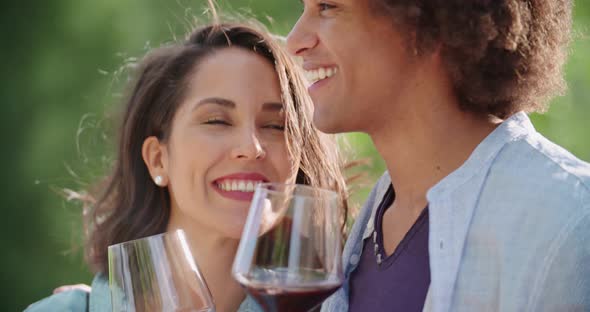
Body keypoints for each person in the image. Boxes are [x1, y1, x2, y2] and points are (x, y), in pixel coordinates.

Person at [288, 0, 589, 311]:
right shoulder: (368, 226)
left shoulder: (569, 220)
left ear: (425, 22)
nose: (295, 42)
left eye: (327, 7)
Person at [26, 22, 348, 312]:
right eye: (217, 120)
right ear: (157, 159)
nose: (252, 148)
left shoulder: (347, 304)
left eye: (276, 126)